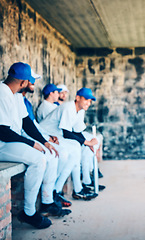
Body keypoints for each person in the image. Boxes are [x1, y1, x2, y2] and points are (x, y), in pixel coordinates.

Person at [0, 62, 68, 229]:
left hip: (9, 142)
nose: (31, 84)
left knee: (48, 153)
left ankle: (46, 201)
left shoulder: (15, 94)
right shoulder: (1, 92)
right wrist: (32, 143)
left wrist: (44, 142)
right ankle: (29, 213)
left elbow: (26, 123)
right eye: (29, 81)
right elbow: (2, 132)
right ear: (23, 82)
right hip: (2, 144)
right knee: (39, 159)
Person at [21, 74, 76, 208]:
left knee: (64, 151)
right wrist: (45, 138)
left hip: (37, 135)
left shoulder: (25, 101)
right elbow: (27, 128)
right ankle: (45, 199)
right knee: (56, 153)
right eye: (31, 80)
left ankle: (51, 194)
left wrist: (47, 136)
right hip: (21, 139)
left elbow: (34, 125)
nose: (33, 82)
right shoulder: (39, 105)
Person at [39, 87, 101, 199]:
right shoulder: (68, 107)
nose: (88, 103)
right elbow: (67, 133)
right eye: (86, 99)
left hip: (57, 136)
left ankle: (61, 190)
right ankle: (60, 190)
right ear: (77, 98)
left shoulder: (80, 110)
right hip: (45, 134)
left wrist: (88, 144)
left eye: (90, 101)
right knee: (74, 149)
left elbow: (77, 131)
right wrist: (87, 142)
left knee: (76, 150)